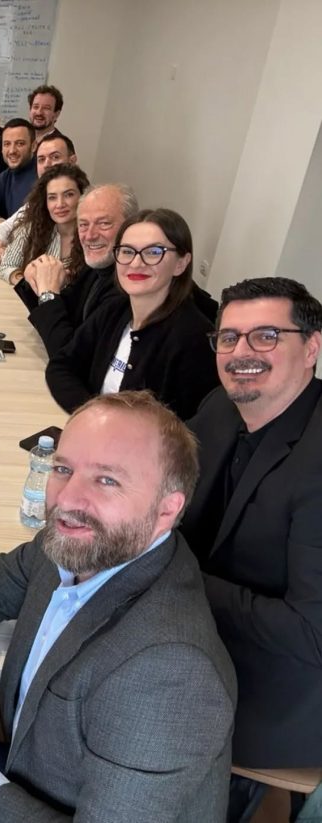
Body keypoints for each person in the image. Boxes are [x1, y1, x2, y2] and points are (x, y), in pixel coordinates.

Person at [0, 390, 236, 822]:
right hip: (35, 771)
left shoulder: (170, 673)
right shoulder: (78, 543)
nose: (67, 499)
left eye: (107, 480)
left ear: (166, 510)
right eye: (63, 469)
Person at [181, 277, 322, 822]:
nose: (241, 353)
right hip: (203, 633)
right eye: (229, 337)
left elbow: (311, 634)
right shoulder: (222, 406)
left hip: (280, 689)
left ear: (311, 348)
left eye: (266, 336)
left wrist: (178, 575)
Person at [45, 208, 219, 420]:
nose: (136, 263)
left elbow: (189, 428)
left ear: (181, 263)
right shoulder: (115, 310)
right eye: (127, 251)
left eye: (153, 252)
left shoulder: (194, 339)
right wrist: (94, 414)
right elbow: (61, 365)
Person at [0, 131, 78, 266]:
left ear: (72, 161)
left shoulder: (85, 204)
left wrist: (14, 255)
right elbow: (5, 227)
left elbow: (62, 261)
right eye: (41, 159)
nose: (47, 164)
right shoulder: (38, 200)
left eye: (55, 157)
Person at [0, 163, 89, 285]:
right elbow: (6, 266)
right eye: (52, 197)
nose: (60, 204)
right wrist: (27, 284)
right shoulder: (31, 228)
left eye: (69, 195)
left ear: (83, 196)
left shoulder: (92, 237)